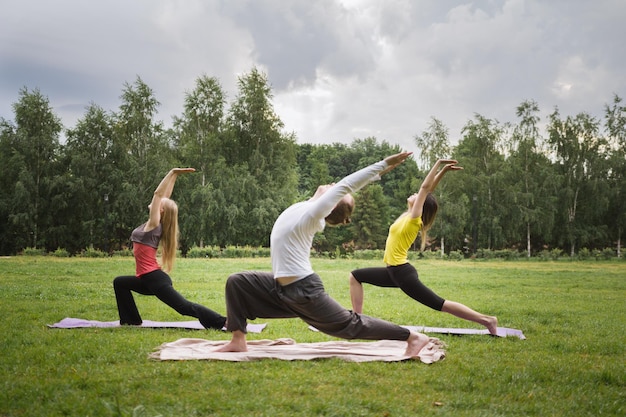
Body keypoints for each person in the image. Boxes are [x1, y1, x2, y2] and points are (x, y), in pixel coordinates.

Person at [216, 152, 437, 357]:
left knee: (351, 325)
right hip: (280, 289)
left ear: (330, 204)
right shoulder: (306, 207)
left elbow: (348, 184)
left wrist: (385, 163)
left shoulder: (313, 214)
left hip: (304, 291)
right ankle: (238, 340)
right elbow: (348, 185)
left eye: (341, 194)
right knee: (238, 282)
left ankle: (412, 337)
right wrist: (381, 172)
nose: (334, 187)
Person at [349, 159, 499, 335]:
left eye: (419, 195)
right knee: (355, 276)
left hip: (402, 274)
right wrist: (443, 171)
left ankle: (488, 320)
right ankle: (358, 319)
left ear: (422, 204)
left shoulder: (414, 219)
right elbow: (428, 189)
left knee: (439, 304)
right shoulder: (408, 215)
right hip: (393, 272)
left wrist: (438, 163)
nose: (415, 193)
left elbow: (425, 189)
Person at [113, 168, 226, 330]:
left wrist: (172, 171)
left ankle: (224, 321)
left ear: (161, 211)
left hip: (154, 279)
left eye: (159, 204)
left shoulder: (153, 225)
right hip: (146, 278)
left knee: (184, 308)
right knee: (120, 283)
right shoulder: (155, 223)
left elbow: (159, 195)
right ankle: (131, 320)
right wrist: (174, 176)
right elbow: (164, 196)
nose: (157, 202)